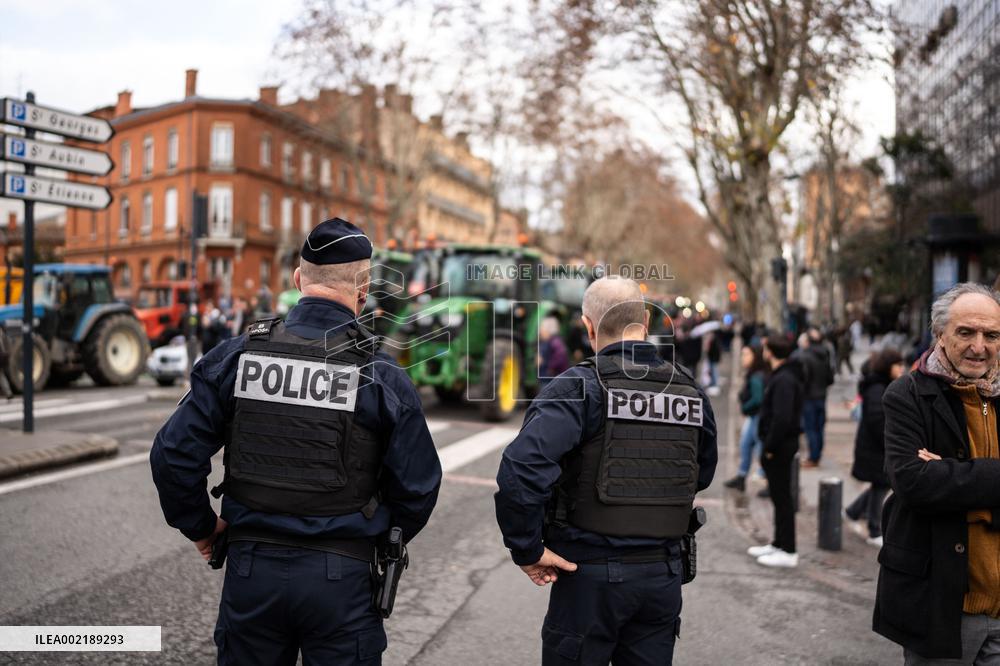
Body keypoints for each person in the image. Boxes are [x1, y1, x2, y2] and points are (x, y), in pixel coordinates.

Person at [150, 217, 443, 665]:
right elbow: (419, 487)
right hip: (342, 581)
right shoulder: (380, 376)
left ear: (297, 279)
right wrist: (376, 537)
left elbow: (172, 454)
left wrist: (202, 527)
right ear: (363, 289)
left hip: (252, 571)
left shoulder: (237, 355)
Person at [495, 276, 718, 665]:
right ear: (645, 323)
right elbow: (702, 472)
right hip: (661, 579)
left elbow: (522, 470)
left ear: (588, 325)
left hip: (589, 577)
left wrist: (527, 548)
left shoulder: (579, 388)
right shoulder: (690, 392)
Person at [875, 282, 1000, 662]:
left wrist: (951, 474)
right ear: (940, 335)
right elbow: (914, 483)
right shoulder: (907, 395)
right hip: (942, 606)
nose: (979, 346)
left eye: (991, 335)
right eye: (966, 332)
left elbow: (937, 484)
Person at [748, 332, 805, 568]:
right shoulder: (783, 376)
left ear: (770, 351)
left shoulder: (784, 380)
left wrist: (769, 447)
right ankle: (778, 543)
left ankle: (788, 550)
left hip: (780, 447)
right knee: (777, 496)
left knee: (782, 499)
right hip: (778, 446)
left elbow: (781, 418)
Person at [844, 348, 904, 547]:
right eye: (898, 365)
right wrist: (892, 441)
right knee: (881, 484)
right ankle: (874, 529)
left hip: (876, 446)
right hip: (876, 447)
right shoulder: (878, 389)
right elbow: (877, 420)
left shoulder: (882, 385)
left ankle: (853, 511)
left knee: (881, 484)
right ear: (888, 366)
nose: (901, 368)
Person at [723, 344, 769, 492]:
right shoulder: (755, 373)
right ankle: (741, 477)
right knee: (745, 445)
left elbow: (758, 399)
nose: (743, 358)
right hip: (754, 416)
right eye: (742, 354)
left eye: (746, 354)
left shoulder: (756, 376)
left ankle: (768, 480)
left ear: (755, 356)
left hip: (758, 416)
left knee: (759, 447)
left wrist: (745, 407)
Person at [797, 327, 834, 467]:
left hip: (809, 397)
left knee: (811, 428)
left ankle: (813, 457)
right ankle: (817, 455)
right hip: (821, 395)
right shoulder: (825, 355)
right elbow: (830, 378)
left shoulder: (805, 356)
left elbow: (804, 379)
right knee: (819, 427)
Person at [538, 315, 570, 388]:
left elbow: (561, 356)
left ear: (549, 330)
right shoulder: (548, 341)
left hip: (551, 379)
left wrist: (550, 367)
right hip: (547, 378)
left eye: (542, 329)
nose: (540, 332)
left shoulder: (555, 342)